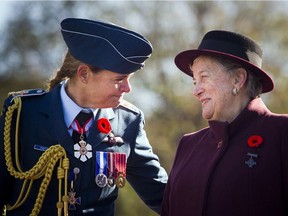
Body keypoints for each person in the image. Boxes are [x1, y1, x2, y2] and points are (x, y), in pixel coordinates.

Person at [0, 18, 168, 216]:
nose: (127, 89)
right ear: (84, 74)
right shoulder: (23, 113)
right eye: (119, 80)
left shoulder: (128, 122)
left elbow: (163, 195)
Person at [161, 30, 288, 216]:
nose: (196, 91)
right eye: (194, 81)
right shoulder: (188, 145)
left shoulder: (282, 132)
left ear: (238, 79)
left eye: (204, 77)